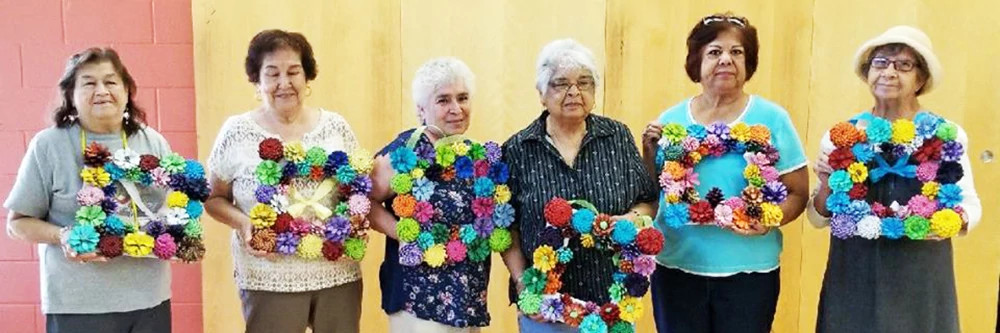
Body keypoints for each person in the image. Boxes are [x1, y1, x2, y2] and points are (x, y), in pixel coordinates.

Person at [641, 13, 809, 333]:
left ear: (749, 63)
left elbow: (798, 192)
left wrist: (770, 218)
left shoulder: (772, 118)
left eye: (737, 52)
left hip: (750, 273)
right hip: (677, 267)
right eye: (715, 52)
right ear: (697, 62)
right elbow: (651, 192)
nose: (726, 60)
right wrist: (649, 152)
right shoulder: (671, 122)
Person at [807, 25, 981, 333]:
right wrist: (826, 180)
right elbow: (819, 217)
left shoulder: (944, 135)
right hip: (854, 273)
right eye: (880, 62)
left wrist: (950, 221)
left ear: (921, 79)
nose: (889, 72)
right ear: (867, 72)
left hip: (921, 273)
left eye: (903, 65)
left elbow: (969, 204)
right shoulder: (843, 136)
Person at [4, 47, 174, 333]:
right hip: (77, 306)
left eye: (110, 81)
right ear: (70, 95)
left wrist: (177, 229)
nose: (102, 91)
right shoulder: (48, 146)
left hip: (149, 301)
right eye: (89, 83)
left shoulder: (152, 141)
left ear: (126, 90)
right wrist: (63, 235)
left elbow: (173, 205)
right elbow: (17, 224)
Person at [205, 29, 363, 333]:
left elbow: (357, 189)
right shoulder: (237, 131)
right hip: (267, 275)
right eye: (272, 73)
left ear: (307, 77)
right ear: (257, 80)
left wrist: (354, 220)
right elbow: (214, 199)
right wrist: (244, 222)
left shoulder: (336, 127)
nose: (284, 83)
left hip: (337, 272)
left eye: (293, 72)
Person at [502, 38, 659, 332]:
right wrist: (523, 283)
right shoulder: (517, 149)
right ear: (541, 93)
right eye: (561, 84)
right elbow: (505, 226)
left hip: (610, 305)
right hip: (546, 308)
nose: (574, 92)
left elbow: (647, 199)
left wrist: (629, 220)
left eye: (585, 83)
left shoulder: (617, 137)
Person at [370, 57, 492, 333]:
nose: (456, 109)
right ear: (421, 109)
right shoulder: (407, 150)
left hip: (466, 295)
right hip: (418, 295)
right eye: (443, 100)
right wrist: (403, 232)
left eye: (462, 98)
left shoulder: (471, 152)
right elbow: (362, 198)